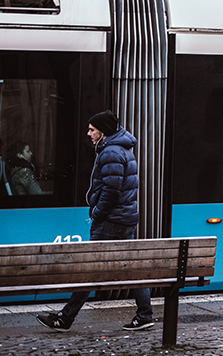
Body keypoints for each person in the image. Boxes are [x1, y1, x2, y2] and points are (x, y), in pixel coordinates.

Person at [37, 111, 154, 332]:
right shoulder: (122, 149)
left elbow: (111, 191)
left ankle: (65, 319)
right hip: (123, 219)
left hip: (111, 221)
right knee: (132, 268)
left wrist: (97, 213)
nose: (89, 133)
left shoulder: (110, 152)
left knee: (90, 269)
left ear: (103, 131)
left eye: (92, 129)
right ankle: (145, 314)